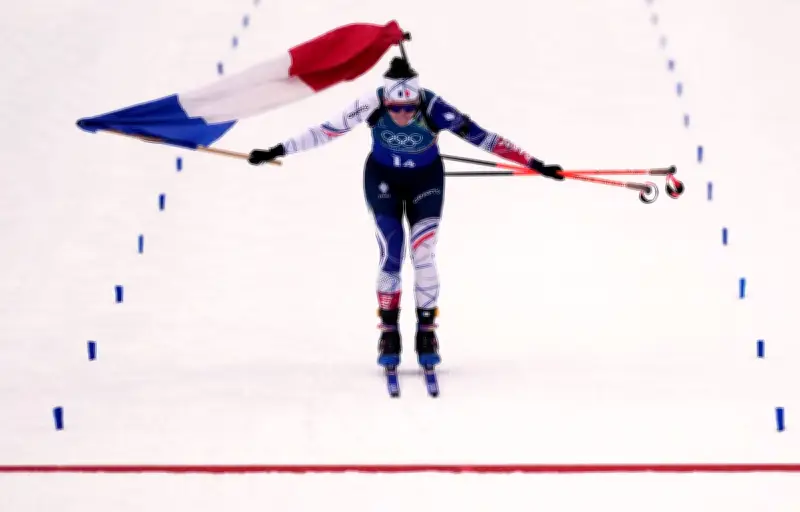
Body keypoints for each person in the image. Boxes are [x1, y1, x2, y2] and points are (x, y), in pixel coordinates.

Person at [247, 56, 564, 370]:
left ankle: (427, 332)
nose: (402, 114)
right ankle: (389, 332)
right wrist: (276, 150)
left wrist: (535, 164)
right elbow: (326, 131)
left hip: (425, 182)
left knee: (423, 252)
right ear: (385, 101)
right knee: (392, 253)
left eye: (409, 108)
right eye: (395, 108)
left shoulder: (434, 107)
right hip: (382, 180)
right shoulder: (371, 103)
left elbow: (482, 137)